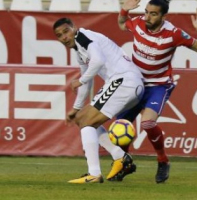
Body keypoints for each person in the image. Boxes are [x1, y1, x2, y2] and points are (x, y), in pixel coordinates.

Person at [112, 0, 197, 183]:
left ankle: (163, 160)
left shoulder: (173, 33)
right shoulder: (139, 22)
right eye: (146, 12)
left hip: (158, 85)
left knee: (147, 123)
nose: (147, 17)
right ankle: (124, 163)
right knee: (121, 126)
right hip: (135, 84)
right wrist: (124, 9)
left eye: (153, 14)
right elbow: (122, 24)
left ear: (163, 17)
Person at [53, 17, 144, 183]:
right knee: (83, 119)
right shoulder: (79, 50)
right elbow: (86, 80)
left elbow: (98, 61)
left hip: (124, 80)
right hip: (128, 83)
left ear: (74, 28)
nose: (64, 37)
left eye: (66, 31)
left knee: (86, 121)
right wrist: (76, 108)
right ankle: (121, 158)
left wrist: (80, 81)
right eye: (59, 35)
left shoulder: (83, 37)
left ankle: (94, 173)